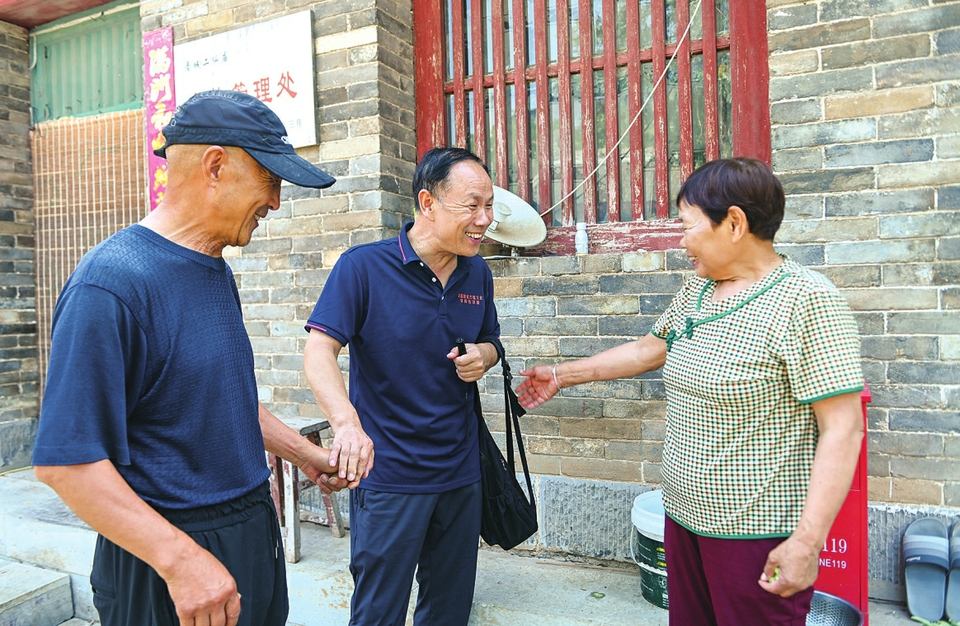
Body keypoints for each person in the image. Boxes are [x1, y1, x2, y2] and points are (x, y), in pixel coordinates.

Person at [32, 90, 346, 626]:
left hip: (249, 529)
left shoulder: (215, 270)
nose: (275, 202)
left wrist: (303, 455)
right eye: (270, 179)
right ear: (215, 166)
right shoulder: (110, 286)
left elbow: (219, 400)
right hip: (168, 556)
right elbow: (68, 464)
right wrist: (180, 562)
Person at [516, 158, 864, 626]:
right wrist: (562, 375)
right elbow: (647, 350)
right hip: (684, 518)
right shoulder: (699, 291)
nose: (681, 241)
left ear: (734, 223)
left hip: (755, 533)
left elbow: (843, 428)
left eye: (687, 225)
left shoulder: (806, 299)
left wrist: (807, 540)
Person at [303, 147, 502, 625]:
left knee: (449, 610)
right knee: (379, 611)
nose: (485, 219)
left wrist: (484, 355)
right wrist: (346, 425)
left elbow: (492, 342)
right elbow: (319, 351)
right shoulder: (363, 268)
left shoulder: (477, 271)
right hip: (389, 475)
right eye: (472, 206)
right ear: (428, 203)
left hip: (460, 472)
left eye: (489, 206)